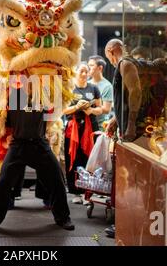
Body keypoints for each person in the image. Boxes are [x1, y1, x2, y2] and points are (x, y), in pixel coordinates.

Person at [0, 86, 75, 234]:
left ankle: (63, 218)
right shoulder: (13, 94)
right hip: (18, 144)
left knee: (57, 179)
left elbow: (53, 114)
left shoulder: (43, 93)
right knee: (2, 183)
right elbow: (3, 119)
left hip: (39, 144)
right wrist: (7, 136)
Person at [103, 39, 142, 239]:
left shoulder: (125, 63)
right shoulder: (123, 64)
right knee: (126, 179)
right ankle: (125, 222)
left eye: (107, 56)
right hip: (125, 129)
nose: (108, 61)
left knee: (129, 180)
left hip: (132, 134)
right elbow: (125, 98)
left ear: (111, 51)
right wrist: (116, 119)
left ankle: (127, 224)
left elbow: (135, 93)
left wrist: (131, 123)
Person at [63, 63, 103, 204]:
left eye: (86, 71)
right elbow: (63, 110)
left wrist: (90, 110)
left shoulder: (94, 88)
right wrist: (76, 107)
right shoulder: (69, 88)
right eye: (81, 71)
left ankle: (87, 193)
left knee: (89, 159)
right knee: (73, 159)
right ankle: (75, 192)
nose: (84, 74)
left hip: (90, 127)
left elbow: (101, 109)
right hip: (73, 128)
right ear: (75, 72)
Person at [88, 55, 114, 130]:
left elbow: (106, 109)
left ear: (100, 68)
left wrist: (89, 107)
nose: (88, 68)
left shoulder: (107, 86)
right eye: (88, 65)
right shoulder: (86, 83)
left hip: (99, 127)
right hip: (86, 125)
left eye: (91, 65)